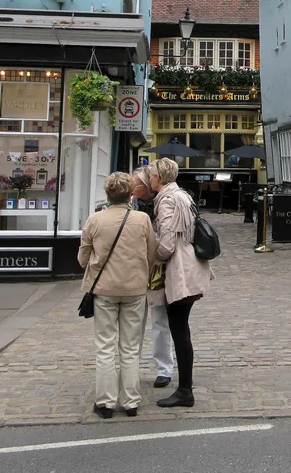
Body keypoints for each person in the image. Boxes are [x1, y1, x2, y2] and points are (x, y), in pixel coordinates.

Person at [77, 172, 157, 419]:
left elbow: (82, 259)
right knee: (131, 347)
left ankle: (105, 402)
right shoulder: (142, 219)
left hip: (103, 290)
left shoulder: (94, 220)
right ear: (130, 193)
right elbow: (151, 254)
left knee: (105, 346)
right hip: (134, 288)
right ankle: (131, 401)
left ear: (107, 194)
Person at [149, 157, 214, 408]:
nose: (150, 177)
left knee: (179, 330)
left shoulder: (166, 200)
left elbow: (166, 245)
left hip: (179, 271)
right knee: (181, 328)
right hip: (192, 265)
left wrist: (152, 258)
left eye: (152, 173)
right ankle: (185, 388)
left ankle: (185, 391)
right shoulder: (183, 195)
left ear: (159, 177)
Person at [131, 165, 174, 388]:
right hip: (134, 269)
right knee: (133, 323)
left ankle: (164, 368)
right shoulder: (129, 204)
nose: (131, 187)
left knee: (160, 320)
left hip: (156, 268)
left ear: (147, 186)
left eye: (135, 184)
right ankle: (130, 367)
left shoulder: (162, 203)